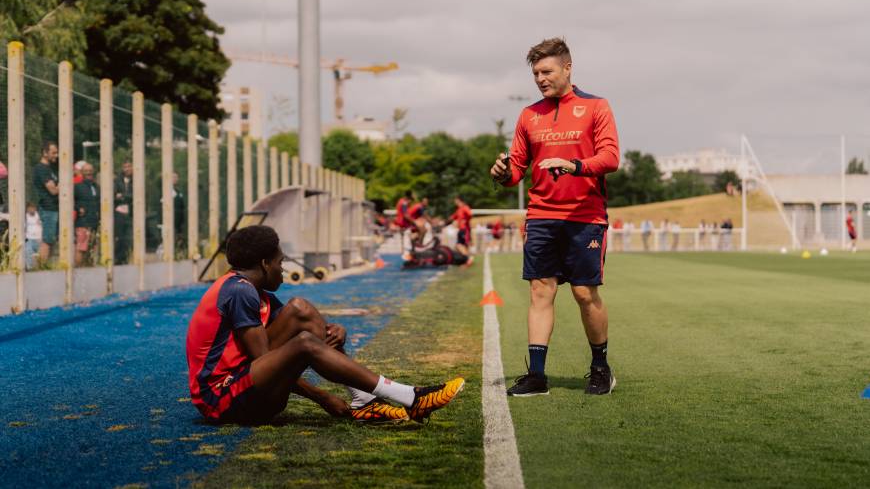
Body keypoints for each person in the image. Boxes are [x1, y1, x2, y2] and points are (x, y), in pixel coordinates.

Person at [185, 225, 464, 424]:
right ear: (264, 263)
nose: (283, 268)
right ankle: (410, 397)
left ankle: (364, 401)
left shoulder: (257, 294)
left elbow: (283, 350)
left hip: (244, 390)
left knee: (300, 310)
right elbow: (268, 362)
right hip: (220, 399)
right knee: (304, 342)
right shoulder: (239, 291)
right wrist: (321, 397)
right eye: (281, 261)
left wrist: (334, 331)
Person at [490, 37, 619, 396]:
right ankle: (537, 376)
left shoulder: (596, 106)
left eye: (546, 71)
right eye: (535, 73)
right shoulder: (529, 115)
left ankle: (600, 368)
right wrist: (502, 172)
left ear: (567, 68)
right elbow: (516, 167)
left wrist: (574, 165)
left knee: (583, 293)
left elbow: (610, 158)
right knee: (540, 291)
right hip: (541, 215)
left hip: (585, 216)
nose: (540, 79)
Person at [32, 142, 59, 264]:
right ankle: (40, 269)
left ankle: (46, 267)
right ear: (45, 152)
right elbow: (53, 190)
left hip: (53, 208)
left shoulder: (50, 169)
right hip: (47, 208)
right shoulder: (41, 169)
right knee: (47, 240)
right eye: (54, 152)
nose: (56, 155)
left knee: (51, 240)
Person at [74, 163, 100, 267]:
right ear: (82, 173)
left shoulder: (96, 187)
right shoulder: (77, 187)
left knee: (92, 249)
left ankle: (89, 271)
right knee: (81, 248)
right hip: (82, 223)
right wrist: (78, 208)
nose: (89, 172)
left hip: (94, 223)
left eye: (90, 170)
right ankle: (78, 270)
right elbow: (69, 201)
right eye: (86, 171)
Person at [114, 161, 133, 264]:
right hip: (119, 213)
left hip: (132, 213)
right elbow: (114, 196)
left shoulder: (137, 180)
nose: (127, 169)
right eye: (125, 167)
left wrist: (123, 196)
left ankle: (126, 259)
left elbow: (137, 196)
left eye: (129, 166)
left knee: (130, 239)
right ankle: (119, 260)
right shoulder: (117, 181)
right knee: (120, 238)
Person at [24, 202, 42, 270]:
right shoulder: (25, 217)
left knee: (39, 256)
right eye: (29, 208)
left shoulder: (40, 215)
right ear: (27, 209)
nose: (31, 209)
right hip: (29, 239)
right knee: (29, 254)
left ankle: (39, 269)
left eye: (33, 208)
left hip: (39, 239)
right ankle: (30, 269)